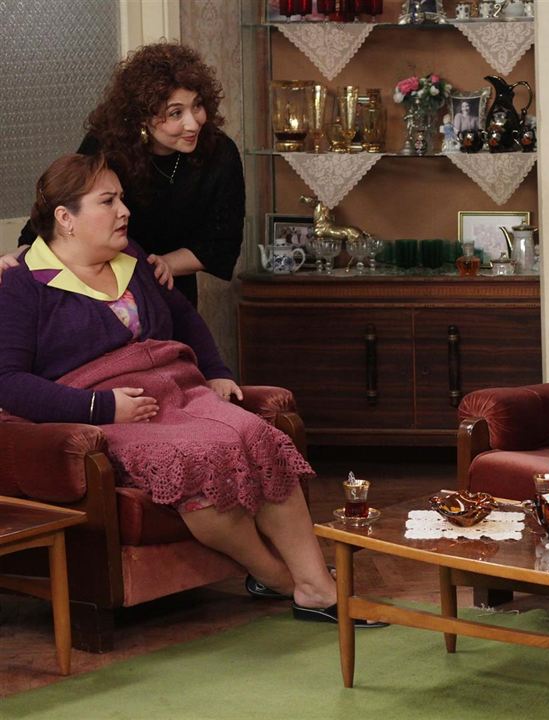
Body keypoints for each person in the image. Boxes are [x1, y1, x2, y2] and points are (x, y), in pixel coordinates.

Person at [0, 153, 385, 628]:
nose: (124, 211)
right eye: (108, 201)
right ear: (66, 218)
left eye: (122, 199)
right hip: (112, 411)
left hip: (181, 389)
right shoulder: (22, 285)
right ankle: (282, 580)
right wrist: (100, 406)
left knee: (261, 436)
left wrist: (217, 370)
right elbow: (7, 382)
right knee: (195, 459)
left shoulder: (133, 258)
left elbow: (184, 319)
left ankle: (316, 585)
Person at [0, 42, 244, 309]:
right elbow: (63, 201)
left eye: (197, 106)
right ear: (143, 117)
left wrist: (165, 264)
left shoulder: (220, 153)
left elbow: (221, 242)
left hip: (168, 280)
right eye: (176, 113)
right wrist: (23, 254)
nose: (194, 123)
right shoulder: (107, 144)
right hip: (102, 281)